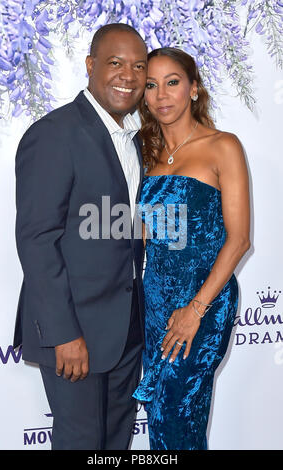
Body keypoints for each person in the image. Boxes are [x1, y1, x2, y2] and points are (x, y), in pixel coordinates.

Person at [13, 23, 148, 450]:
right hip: (76, 333)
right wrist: (63, 334)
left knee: (116, 443)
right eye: (115, 63)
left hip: (127, 326)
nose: (128, 75)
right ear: (90, 66)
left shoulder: (133, 138)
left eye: (139, 66)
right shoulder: (55, 133)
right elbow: (37, 240)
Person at [133, 47, 250, 450]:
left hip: (205, 301)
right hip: (156, 299)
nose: (162, 95)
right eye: (151, 85)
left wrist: (195, 309)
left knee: (178, 413)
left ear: (194, 89)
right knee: (160, 419)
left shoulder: (223, 146)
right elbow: (147, 232)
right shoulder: (143, 154)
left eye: (173, 82)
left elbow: (239, 240)